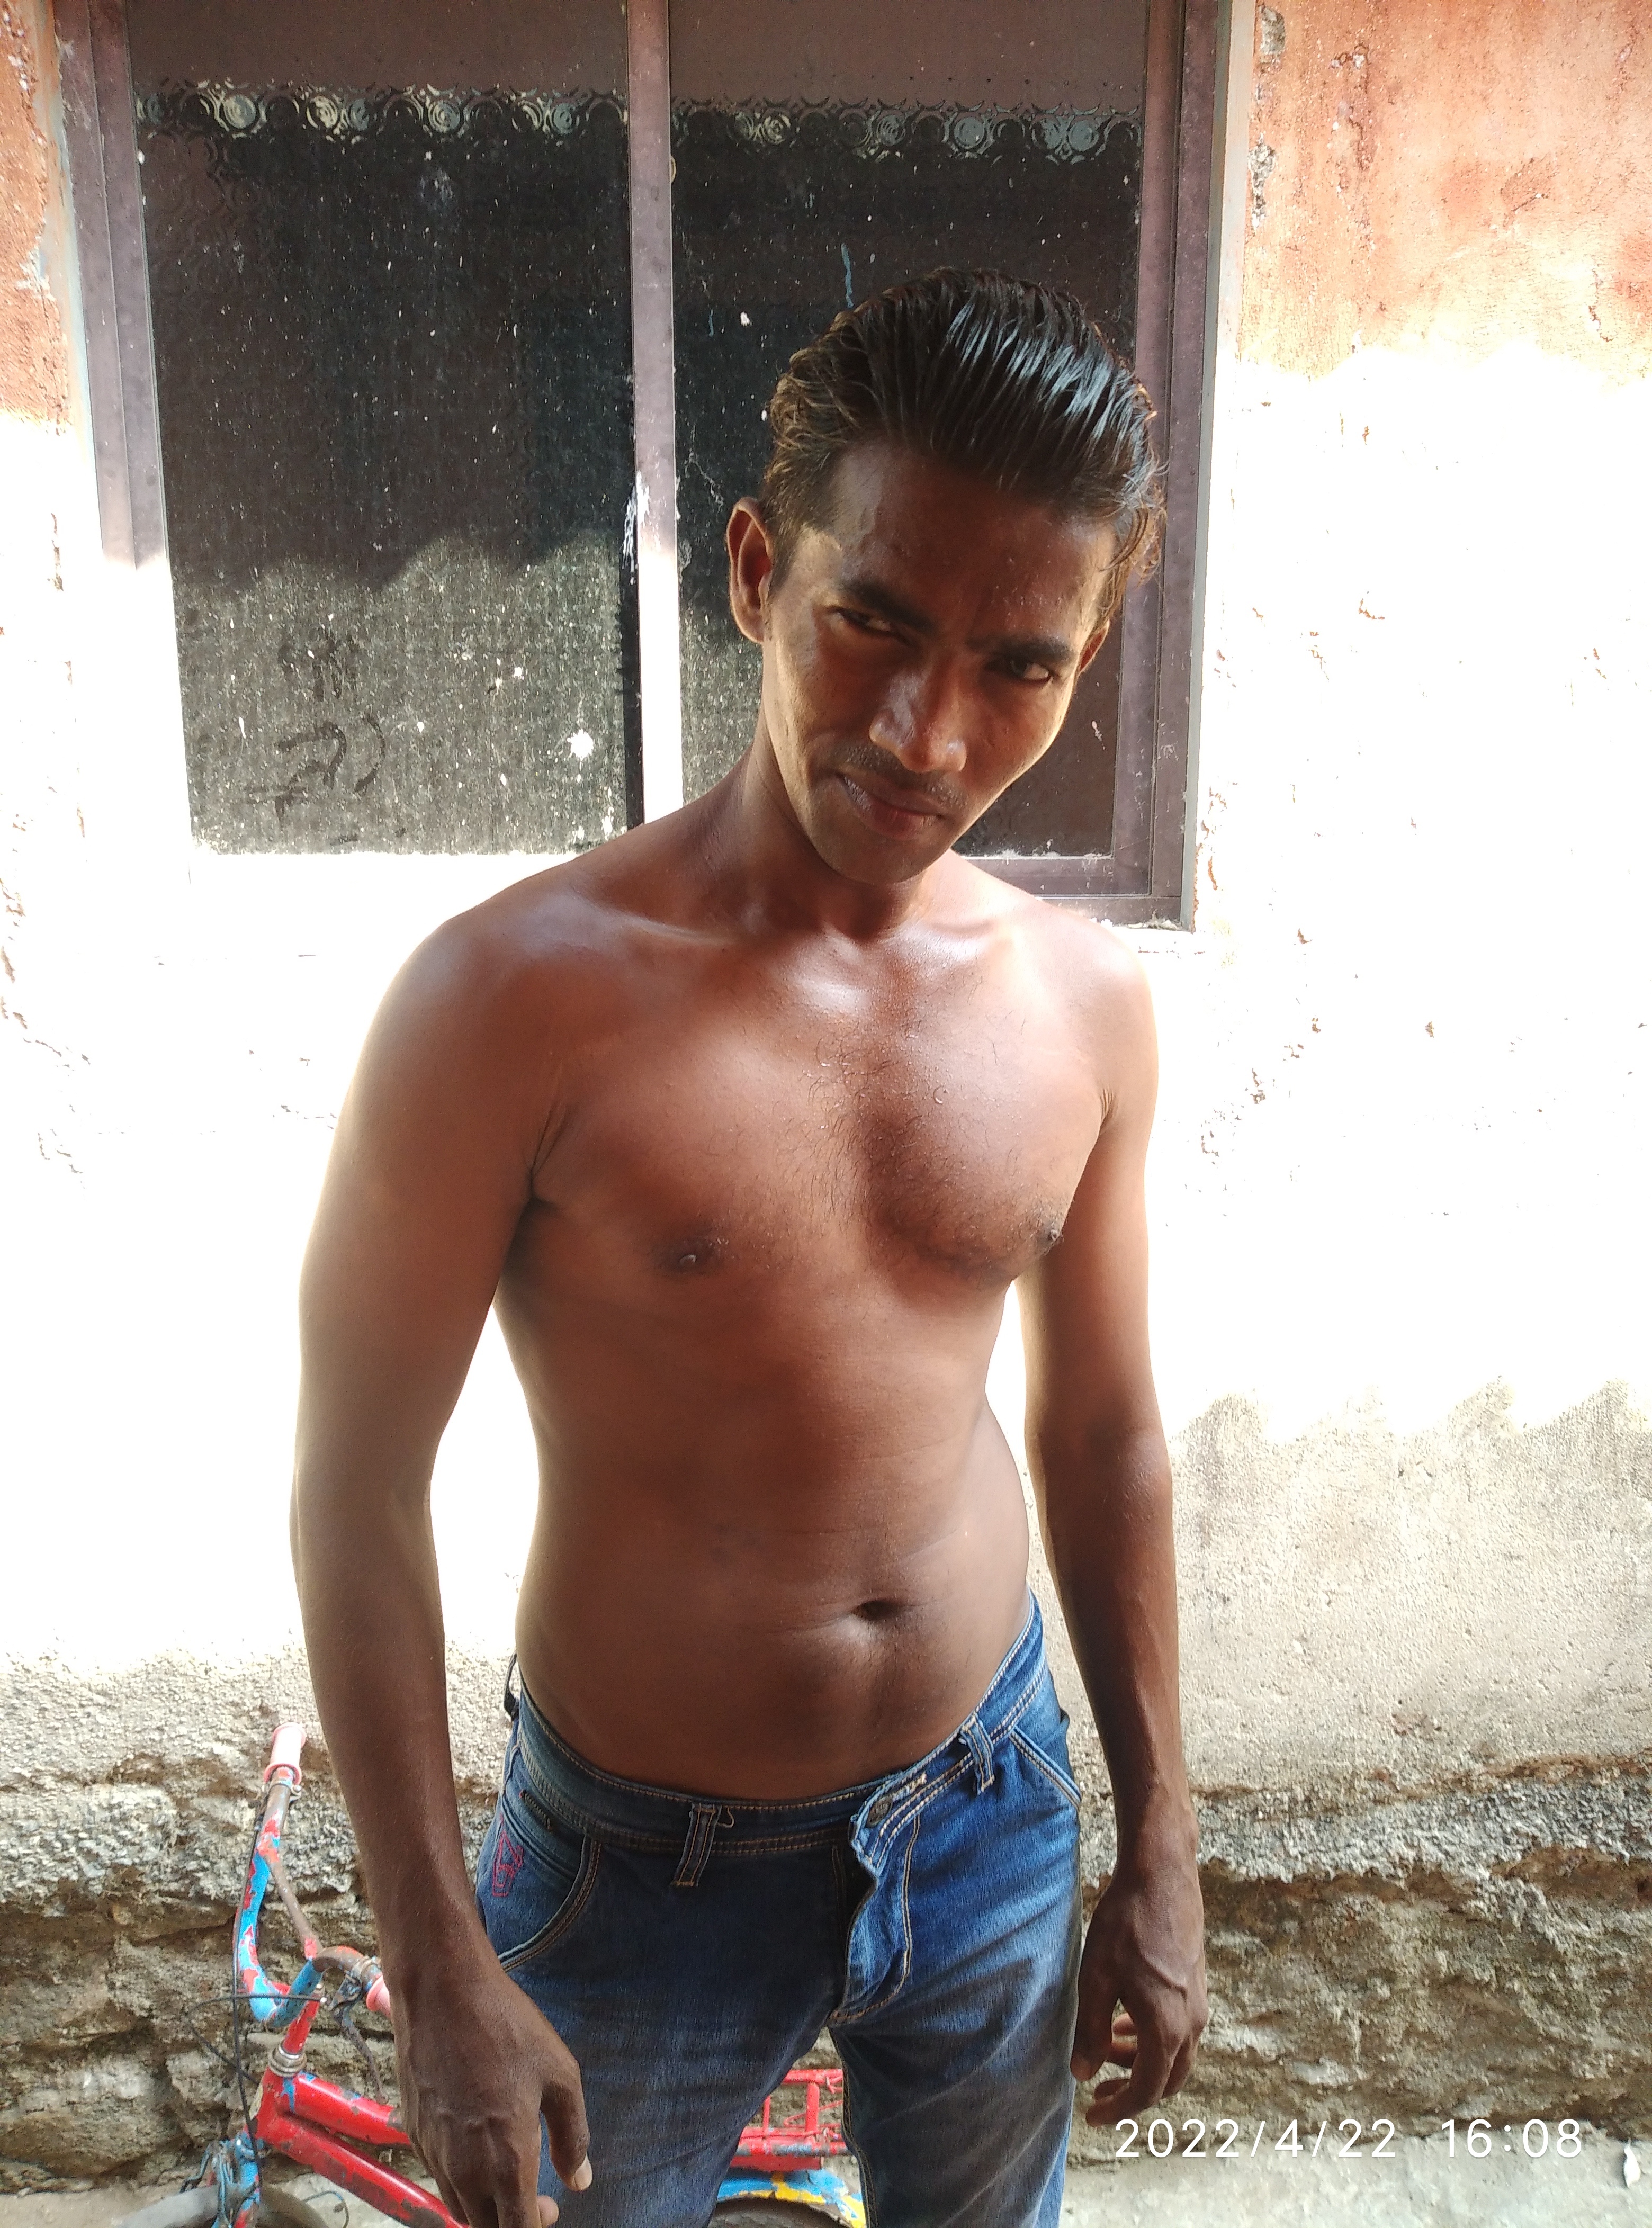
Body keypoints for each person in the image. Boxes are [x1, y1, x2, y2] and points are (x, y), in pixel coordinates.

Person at [292, 268, 1207, 2228]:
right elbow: (356, 1485)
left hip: (990, 1803)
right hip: (640, 1864)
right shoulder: (507, 1005)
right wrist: (437, 1967)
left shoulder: (1083, 1008)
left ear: (1085, 662)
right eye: (873, 620)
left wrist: (1161, 1831)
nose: (927, 732)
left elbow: (1106, 1433)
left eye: (1019, 665)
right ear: (754, 572)